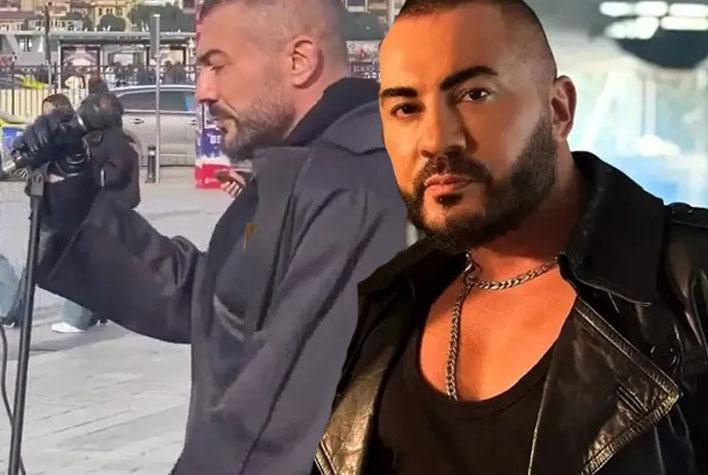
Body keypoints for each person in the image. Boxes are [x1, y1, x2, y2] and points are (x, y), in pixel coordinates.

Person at [315, 1, 708, 474]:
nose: (436, 139)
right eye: (406, 108)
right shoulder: (388, 304)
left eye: (474, 95)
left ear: (558, 109)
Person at [22, 0, 406, 472]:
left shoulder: (353, 186)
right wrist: (74, 203)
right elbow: (212, 298)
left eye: (216, 65)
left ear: (299, 60)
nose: (202, 91)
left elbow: (275, 421)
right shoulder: (298, 165)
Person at [50, 92, 140, 334]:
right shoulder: (106, 138)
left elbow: (114, 174)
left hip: (110, 207)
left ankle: (77, 318)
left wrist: (88, 174)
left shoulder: (115, 142)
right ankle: (96, 312)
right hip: (106, 207)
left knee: (84, 261)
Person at [2, 94, 76, 328]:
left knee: (39, 263)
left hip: (58, 211)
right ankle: (17, 311)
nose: (42, 117)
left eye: (47, 112)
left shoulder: (65, 140)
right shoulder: (45, 139)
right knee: (35, 263)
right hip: (48, 210)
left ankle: (17, 311)